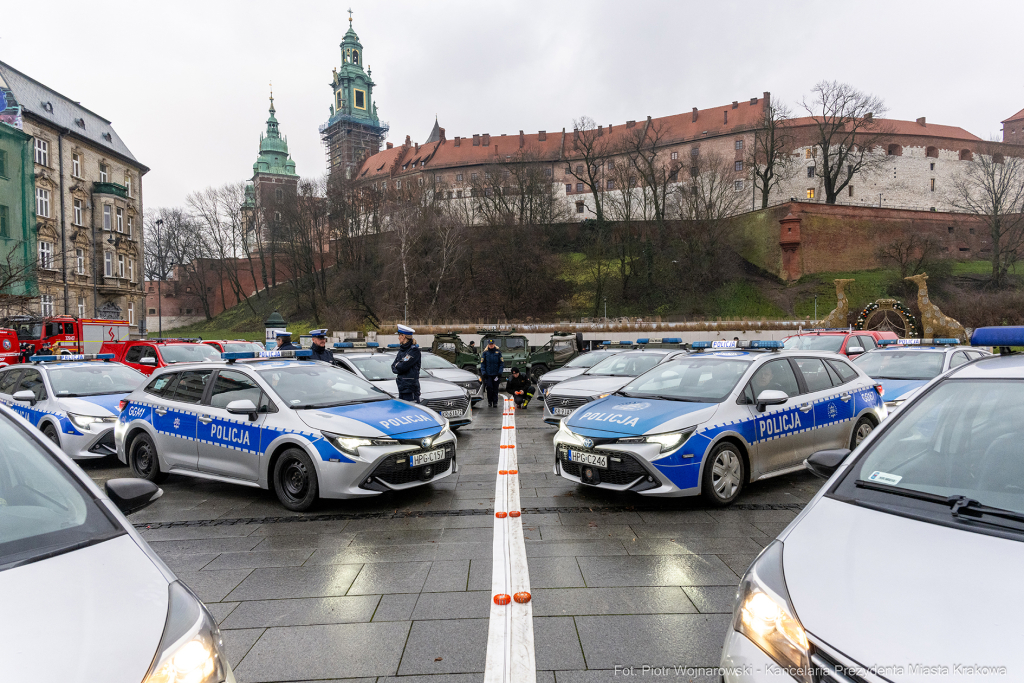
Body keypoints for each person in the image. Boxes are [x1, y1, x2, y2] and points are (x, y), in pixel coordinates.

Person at [391, 324, 422, 402]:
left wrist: (398, 365)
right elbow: (393, 367)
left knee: (411, 411)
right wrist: (399, 365)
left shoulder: (414, 351)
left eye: (399, 335)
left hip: (410, 388)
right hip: (402, 387)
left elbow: (402, 366)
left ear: (403, 336)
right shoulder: (402, 350)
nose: (398, 338)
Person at [479, 338, 504, 408]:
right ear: (488, 345)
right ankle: (490, 401)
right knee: (489, 388)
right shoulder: (485, 353)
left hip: (496, 374)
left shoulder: (498, 353)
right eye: (490, 344)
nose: (491, 345)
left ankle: (495, 402)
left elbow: (501, 363)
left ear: (494, 344)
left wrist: (500, 372)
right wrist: (483, 373)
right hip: (488, 375)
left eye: (492, 344)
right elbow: (482, 364)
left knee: (495, 388)